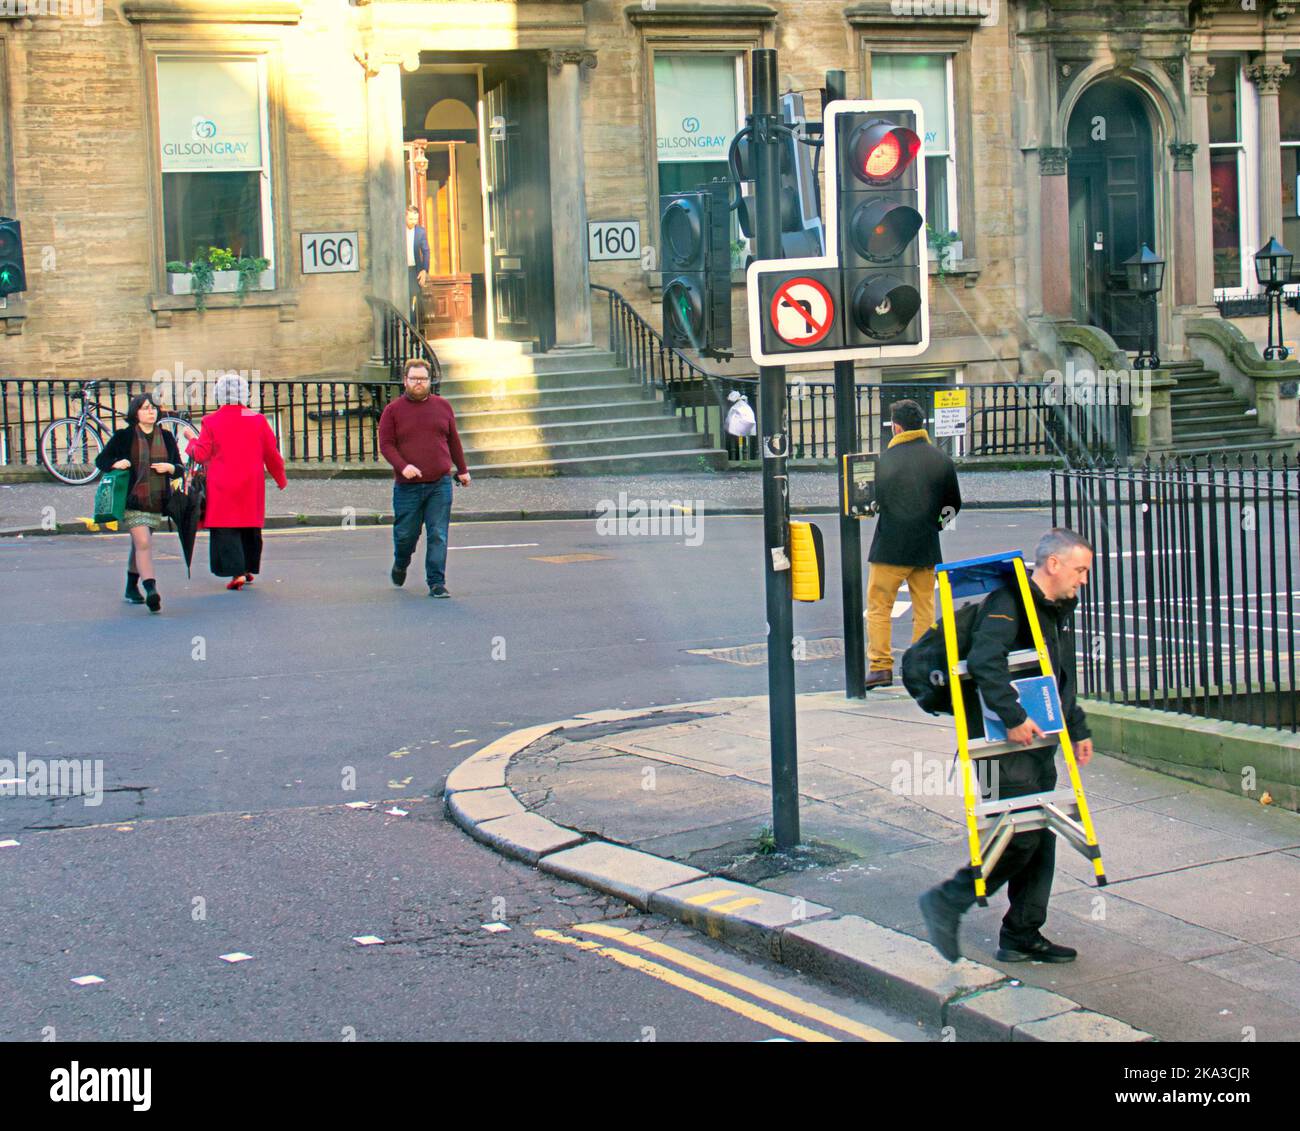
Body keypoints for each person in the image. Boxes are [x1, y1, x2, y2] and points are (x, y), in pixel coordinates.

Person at [918, 527, 1096, 965]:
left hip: (1037, 744)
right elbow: (984, 662)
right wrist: (1014, 718)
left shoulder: (1054, 609)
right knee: (1020, 836)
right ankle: (949, 899)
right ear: (1053, 564)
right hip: (998, 744)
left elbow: (1059, 678)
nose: (1083, 579)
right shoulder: (1009, 602)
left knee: (1041, 832)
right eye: (1080, 569)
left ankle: (1022, 933)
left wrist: (1077, 728)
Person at [864, 398, 962, 689]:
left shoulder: (885, 461)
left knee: (880, 607)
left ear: (896, 427)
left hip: (890, 548)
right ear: (921, 425)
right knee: (924, 609)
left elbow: (873, 503)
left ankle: (880, 668)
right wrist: (935, 526)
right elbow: (954, 505)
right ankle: (921, 668)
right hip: (925, 548)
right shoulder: (941, 459)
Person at [378, 358, 470, 598]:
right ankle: (401, 562)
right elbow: (386, 445)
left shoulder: (443, 406)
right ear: (404, 381)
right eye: (414, 379)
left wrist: (462, 469)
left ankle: (437, 583)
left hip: (439, 483)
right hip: (407, 487)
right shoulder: (393, 411)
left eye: (423, 379)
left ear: (430, 381)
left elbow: (453, 440)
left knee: (438, 534)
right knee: (406, 535)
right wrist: (402, 465)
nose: (418, 383)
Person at [187, 374, 287, 590]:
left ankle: (237, 572)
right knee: (249, 526)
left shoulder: (210, 421)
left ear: (219, 394)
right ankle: (249, 567)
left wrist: (190, 440)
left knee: (226, 529)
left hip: (222, 483)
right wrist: (280, 478)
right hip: (251, 482)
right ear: (244, 394)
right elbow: (272, 454)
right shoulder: (257, 419)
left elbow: (201, 454)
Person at [94, 392, 184, 613]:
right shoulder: (124, 437)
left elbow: (180, 468)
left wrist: (170, 468)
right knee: (143, 542)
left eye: (153, 408)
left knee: (139, 544)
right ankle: (151, 589)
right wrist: (117, 463)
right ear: (135, 413)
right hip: (132, 501)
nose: (150, 411)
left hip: (157, 502)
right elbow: (101, 460)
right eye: (145, 408)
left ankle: (130, 586)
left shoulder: (167, 437)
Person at [405, 205, 430, 324]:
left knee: (413, 303)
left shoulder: (420, 231)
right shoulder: (399, 230)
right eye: (411, 219)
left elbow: (426, 251)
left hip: (414, 271)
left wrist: (424, 270)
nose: (413, 222)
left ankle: (414, 332)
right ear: (405, 217)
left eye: (415, 219)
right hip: (401, 271)